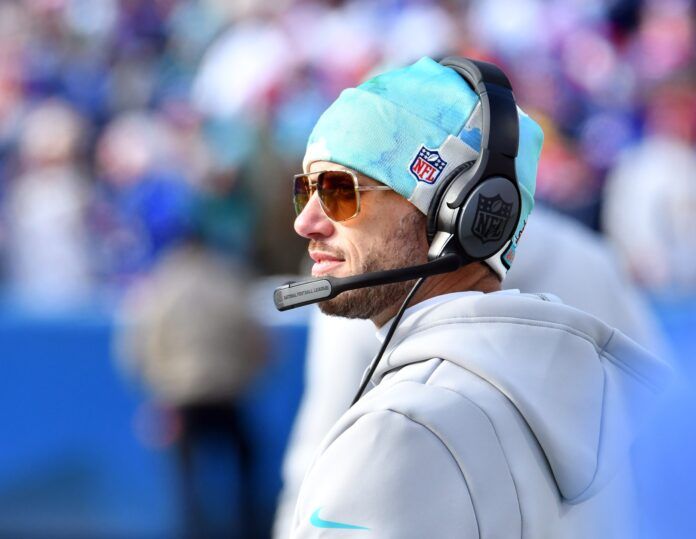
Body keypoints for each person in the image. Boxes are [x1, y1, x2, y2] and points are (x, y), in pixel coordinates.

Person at [279, 57, 671, 538]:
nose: (306, 222)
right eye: (306, 191)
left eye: (339, 190)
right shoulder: (596, 391)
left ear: (455, 212)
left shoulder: (398, 433)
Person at [272, 204, 671, 539]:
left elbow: (318, 435)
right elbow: (658, 419)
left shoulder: (391, 426)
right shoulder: (588, 258)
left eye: (341, 191)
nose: (306, 221)